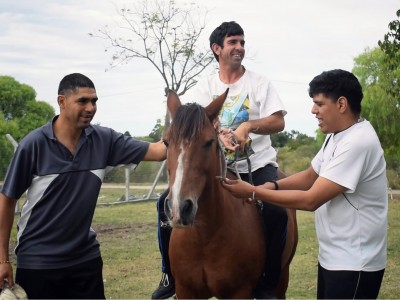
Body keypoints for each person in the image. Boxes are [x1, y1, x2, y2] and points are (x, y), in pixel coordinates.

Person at [222, 69, 388, 299]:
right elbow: (311, 175)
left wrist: (253, 192)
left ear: (341, 104)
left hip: (355, 262)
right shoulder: (337, 135)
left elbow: (311, 199)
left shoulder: (358, 142)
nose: (313, 110)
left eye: (319, 104)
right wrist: (274, 185)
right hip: (334, 257)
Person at [152, 21, 288, 299]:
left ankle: (267, 283)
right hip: (217, 167)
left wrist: (248, 127)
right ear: (217, 49)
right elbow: (197, 126)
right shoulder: (205, 86)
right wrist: (218, 133)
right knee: (162, 204)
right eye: (233, 43)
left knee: (276, 210)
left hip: (257, 165)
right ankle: (169, 273)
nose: (239, 48)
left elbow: (278, 121)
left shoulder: (259, 83)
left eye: (242, 42)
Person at [0, 73, 166, 299]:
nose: (91, 107)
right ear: (61, 101)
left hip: (85, 260)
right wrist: (2, 260)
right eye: (83, 101)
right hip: (38, 262)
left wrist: (201, 125)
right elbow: (7, 200)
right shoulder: (33, 145)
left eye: (94, 101)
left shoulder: (104, 140)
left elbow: (159, 151)